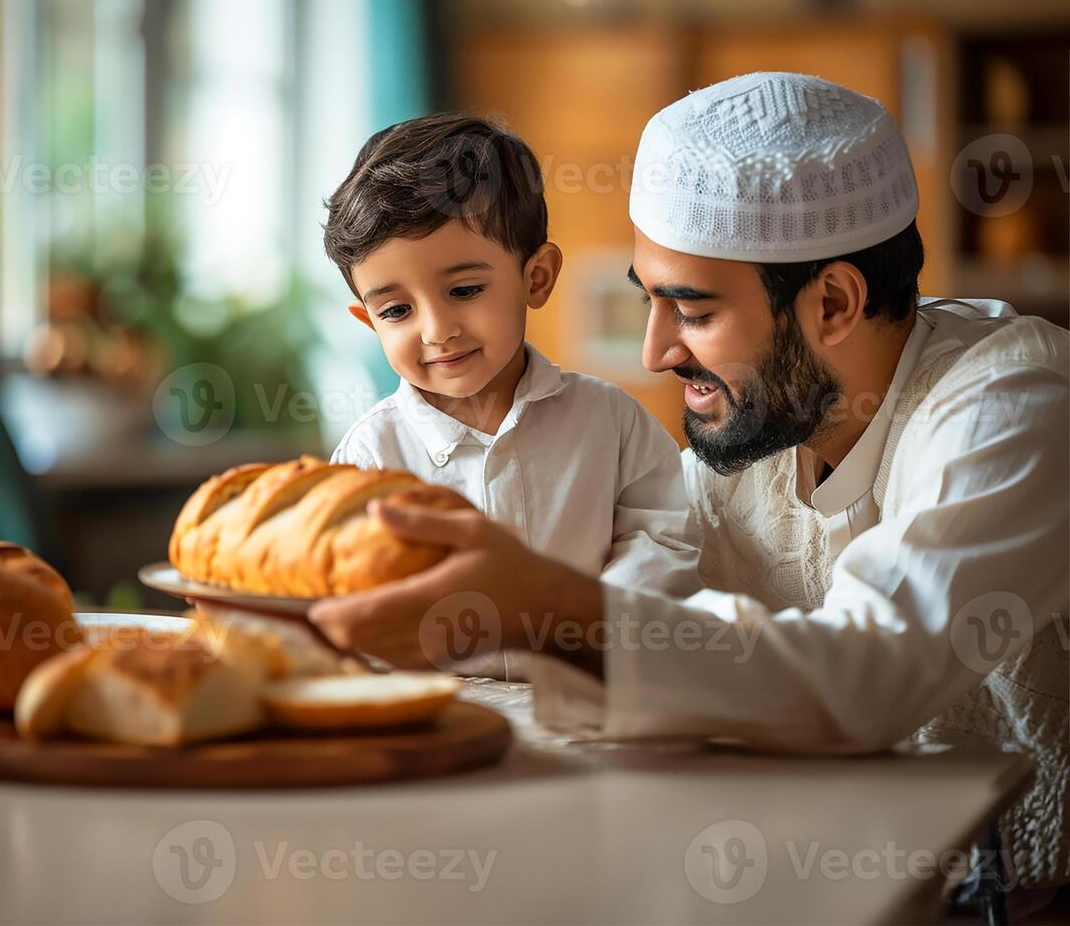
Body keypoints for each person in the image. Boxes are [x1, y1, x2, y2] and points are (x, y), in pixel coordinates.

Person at [309, 74, 1068, 896]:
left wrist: (547, 605)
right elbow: (668, 628)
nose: (654, 353)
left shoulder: (1014, 405)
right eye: (650, 303)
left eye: (692, 311)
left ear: (836, 302)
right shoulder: (755, 427)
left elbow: (868, 676)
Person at [322, 112, 701, 599]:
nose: (437, 331)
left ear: (536, 277)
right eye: (396, 310)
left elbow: (664, 543)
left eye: (465, 290)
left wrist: (587, 619)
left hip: (584, 671)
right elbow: (345, 587)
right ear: (369, 321)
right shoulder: (368, 457)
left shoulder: (612, 423)